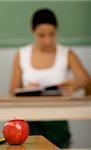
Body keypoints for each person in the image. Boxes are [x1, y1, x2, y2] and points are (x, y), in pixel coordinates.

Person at [10, 9, 90, 148]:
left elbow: (87, 82)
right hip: (28, 121)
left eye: (51, 34)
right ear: (32, 31)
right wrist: (25, 90)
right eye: (42, 35)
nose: (47, 40)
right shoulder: (21, 54)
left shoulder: (67, 53)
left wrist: (77, 84)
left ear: (57, 31)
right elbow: (12, 90)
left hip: (57, 121)